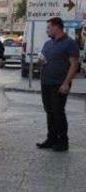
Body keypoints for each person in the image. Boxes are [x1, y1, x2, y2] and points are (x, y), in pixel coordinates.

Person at [36, 17, 80, 152]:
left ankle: (63, 141)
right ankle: (51, 138)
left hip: (59, 84)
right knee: (49, 112)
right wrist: (40, 62)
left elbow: (74, 65)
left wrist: (66, 83)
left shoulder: (70, 43)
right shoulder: (48, 44)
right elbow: (42, 60)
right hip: (46, 82)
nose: (47, 30)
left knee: (58, 112)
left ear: (56, 27)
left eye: (49, 27)